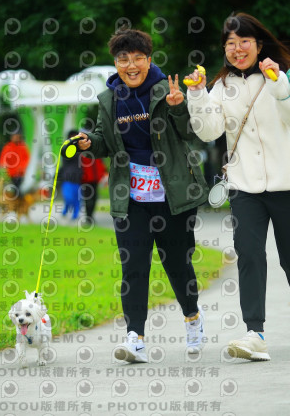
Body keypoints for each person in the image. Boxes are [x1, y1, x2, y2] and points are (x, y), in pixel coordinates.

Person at [184, 12, 290, 361]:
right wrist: (197, 95)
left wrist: (278, 83)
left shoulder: (283, 75)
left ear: (259, 45)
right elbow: (209, 131)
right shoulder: (221, 86)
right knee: (249, 254)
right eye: (230, 43)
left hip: (289, 184)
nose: (237, 49)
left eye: (244, 41)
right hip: (245, 186)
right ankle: (255, 333)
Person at [76, 28, 210, 363]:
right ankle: (135, 337)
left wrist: (179, 107)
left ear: (149, 60)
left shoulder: (167, 90)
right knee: (133, 267)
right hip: (130, 198)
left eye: (138, 58)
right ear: (116, 63)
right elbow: (105, 141)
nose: (131, 65)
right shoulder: (109, 99)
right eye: (124, 59)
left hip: (171, 196)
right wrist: (90, 142)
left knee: (177, 264)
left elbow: (190, 134)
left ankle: (193, 318)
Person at [79, 147, 108, 226]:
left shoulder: (97, 153)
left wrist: (103, 174)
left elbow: (101, 164)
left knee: (94, 198)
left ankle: (90, 216)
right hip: (86, 180)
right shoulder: (83, 154)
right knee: (88, 200)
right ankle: (89, 217)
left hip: (95, 179)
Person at [59, 130, 83, 221]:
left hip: (78, 178)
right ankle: (66, 208)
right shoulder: (66, 148)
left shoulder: (82, 149)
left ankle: (75, 215)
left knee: (77, 199)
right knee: (68, 197)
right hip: (67, 178)